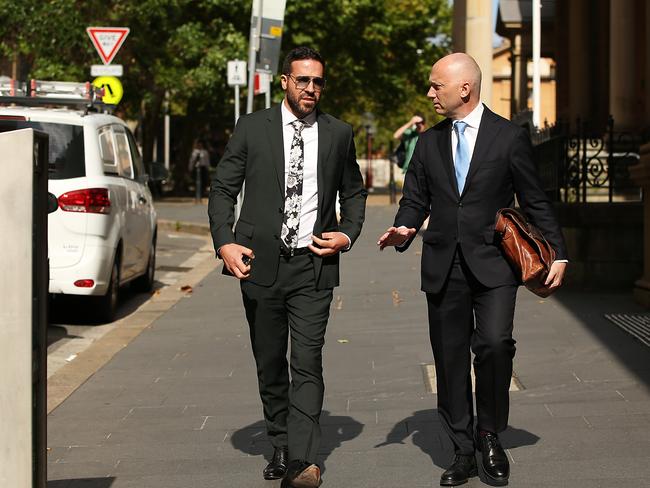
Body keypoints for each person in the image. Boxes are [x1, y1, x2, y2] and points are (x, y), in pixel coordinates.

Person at [377, 53, 568, 487]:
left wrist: (557, 252)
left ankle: (489, 434)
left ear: (465, 88)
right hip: (443, 265)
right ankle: (462, 450)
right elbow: (415, 198)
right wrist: (405, 226)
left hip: (495, 263)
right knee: (449, 359)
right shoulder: (428, 143)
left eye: (435, 86)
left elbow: (534, 198)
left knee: (496, 344)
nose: (429, 94)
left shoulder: (508, 137)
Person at [208, 46, 367, 488]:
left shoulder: (339, 133)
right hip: (259, 263)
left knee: (308, 360)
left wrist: (347, 233)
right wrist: (225, 242)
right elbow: (222, 188)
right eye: (303, 80)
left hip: (314, 266)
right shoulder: (252, 128)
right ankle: (278, 438)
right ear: (285, 81)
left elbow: (354, 192)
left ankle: (302, 460)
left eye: (318, 81)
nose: (311, 89)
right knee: (270, 361)